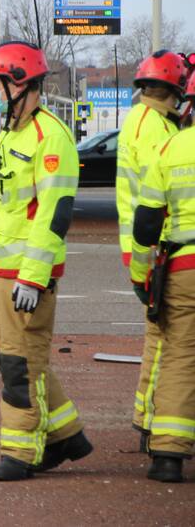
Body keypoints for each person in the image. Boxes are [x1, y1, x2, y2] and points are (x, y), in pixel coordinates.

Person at [0, 41, 92, 481]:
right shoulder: (11, 131)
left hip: (26, 276)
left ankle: (22, 452)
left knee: (20, 363)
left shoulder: (50, 137)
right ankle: (67, 436)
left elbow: (52, 215)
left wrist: (33, 276)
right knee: (10, 357)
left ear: (19, 84)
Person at [115, 51, 186, 452]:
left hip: (138, 242)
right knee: (164, 335)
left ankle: (147, 417)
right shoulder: (159, 130)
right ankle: (150, 420)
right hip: (157, 244)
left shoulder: (137, 120)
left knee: (157, 333)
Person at [129, 121, 195, 482]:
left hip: (185, 267)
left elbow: (146, 223)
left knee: (180, 356)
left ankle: (168, 454)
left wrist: (142, 277)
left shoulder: (170, 148)